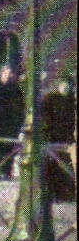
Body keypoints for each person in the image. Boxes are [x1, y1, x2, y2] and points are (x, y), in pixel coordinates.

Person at [41, 75, 77, 203]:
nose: (65, 88)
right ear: (60, 85)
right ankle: (51, 194)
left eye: (68, 86)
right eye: (63, 86)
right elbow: (44, 117)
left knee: (66, 166)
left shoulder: (72, 101)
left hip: (67, 138)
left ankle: (65, 195)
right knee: (51, 166)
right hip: (53, 137)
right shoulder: (50, 98)